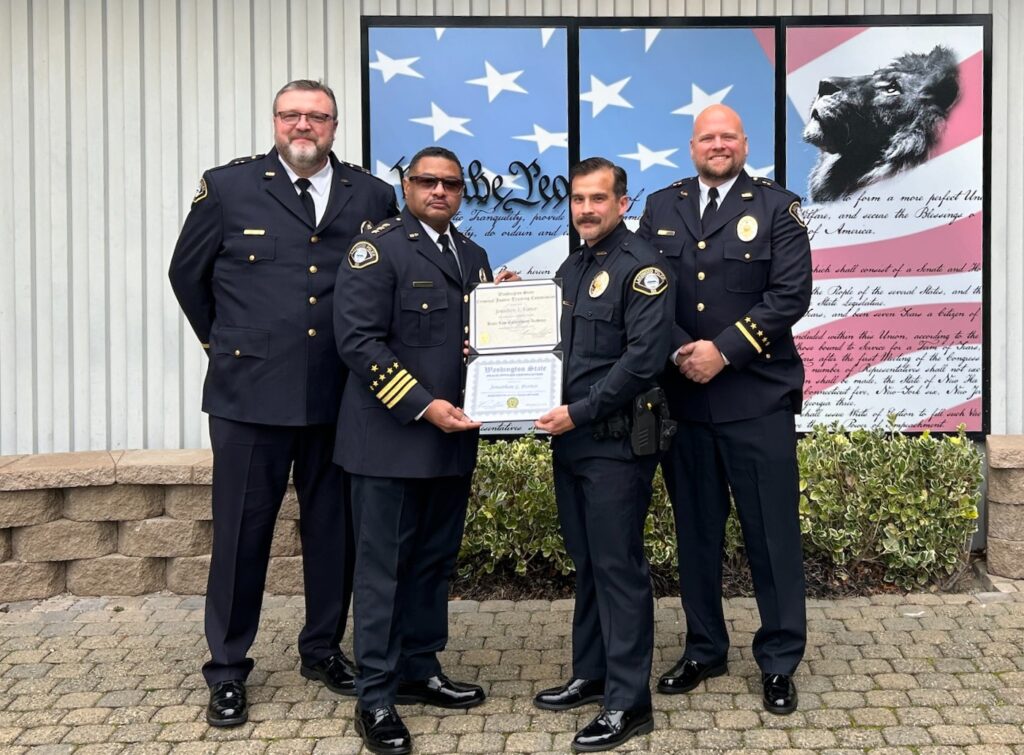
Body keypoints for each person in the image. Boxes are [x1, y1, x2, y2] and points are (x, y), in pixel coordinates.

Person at [168, 79, 398, 728]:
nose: (304, 126)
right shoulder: (229, 187)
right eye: (292, 115)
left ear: (334, 125)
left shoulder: (371, 195)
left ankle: (322, 648)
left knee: (336, 535)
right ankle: (228, 667)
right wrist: (225, 341)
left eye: (317, 116)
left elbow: (389, 276)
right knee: (242, 536)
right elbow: (187, 274)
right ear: (275, 121)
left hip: (339, 397)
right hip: (248, 397)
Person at [334, 145, 517, 755]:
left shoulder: (473, 255)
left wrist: (505, 311)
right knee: (382, 571)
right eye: (426, 182)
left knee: (434, 561)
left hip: (451, 439)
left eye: (451, 184)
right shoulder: (376, 249)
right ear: (406, 186)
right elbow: (358, 342)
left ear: (462, 193)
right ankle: (377, 696)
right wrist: (422, 404)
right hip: (390, 438)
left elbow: (471, 341)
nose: (439, 192)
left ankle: (420, 667)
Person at [636, 104, 812, 715]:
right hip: (684, 399)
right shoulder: (661, 206)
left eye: (728, 136)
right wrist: (688, 350)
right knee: (697, 535)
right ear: (691, 145)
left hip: (755, 398)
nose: (718, 145)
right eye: (707, 137)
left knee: (772, 536)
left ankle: (780, 658)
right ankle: (705, 648)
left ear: (744, 143)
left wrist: (724, 351)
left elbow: (790, 294)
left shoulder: (777, 207)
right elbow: (644, 285)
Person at [534, 158, 673, 753]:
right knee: (588, 563)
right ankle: (592, 673)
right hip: (573, 441)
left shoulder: (642, 270)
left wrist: (580, 412)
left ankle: (628, 702)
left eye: (598, 199)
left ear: (622, 203)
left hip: (613, 442)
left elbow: (642, 362)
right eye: (577, 199)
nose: (586, 209)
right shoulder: (575, 264)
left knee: (618, 569)